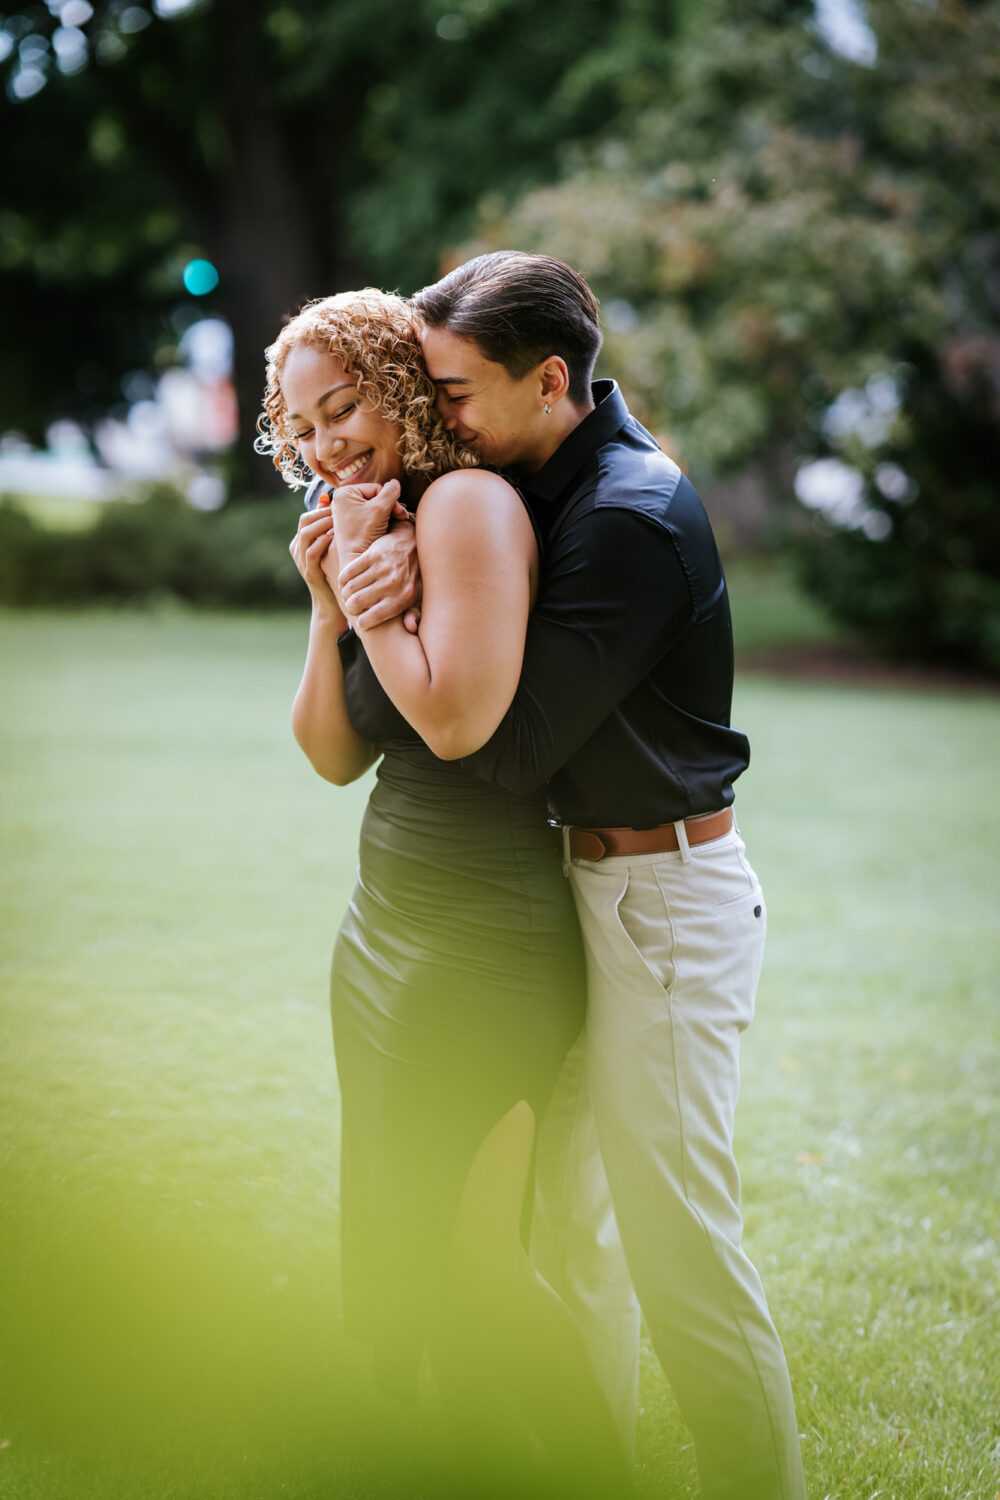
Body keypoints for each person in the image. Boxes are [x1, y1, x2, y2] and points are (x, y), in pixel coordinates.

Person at [337, 252, 808, 1500]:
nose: (438, 421)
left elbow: (506, 743)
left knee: (681, 1253)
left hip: (663, 905)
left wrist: (380, 608)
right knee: (572, 1234)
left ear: (550, 381)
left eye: (454, 394)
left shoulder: (625, 517)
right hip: (576, 892)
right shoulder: (539, 476)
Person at [255, 287, 625, 1493]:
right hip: (386, 928)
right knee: (427, 1261)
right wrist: (331, 604)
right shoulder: (377, 516)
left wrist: (372, 582)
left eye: (343, 404)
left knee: (477, 1259)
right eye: (300, 425)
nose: (324, 444)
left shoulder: (467, 506)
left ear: (398, 380)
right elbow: (331, 755)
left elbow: (459, 727)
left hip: (481, 936)